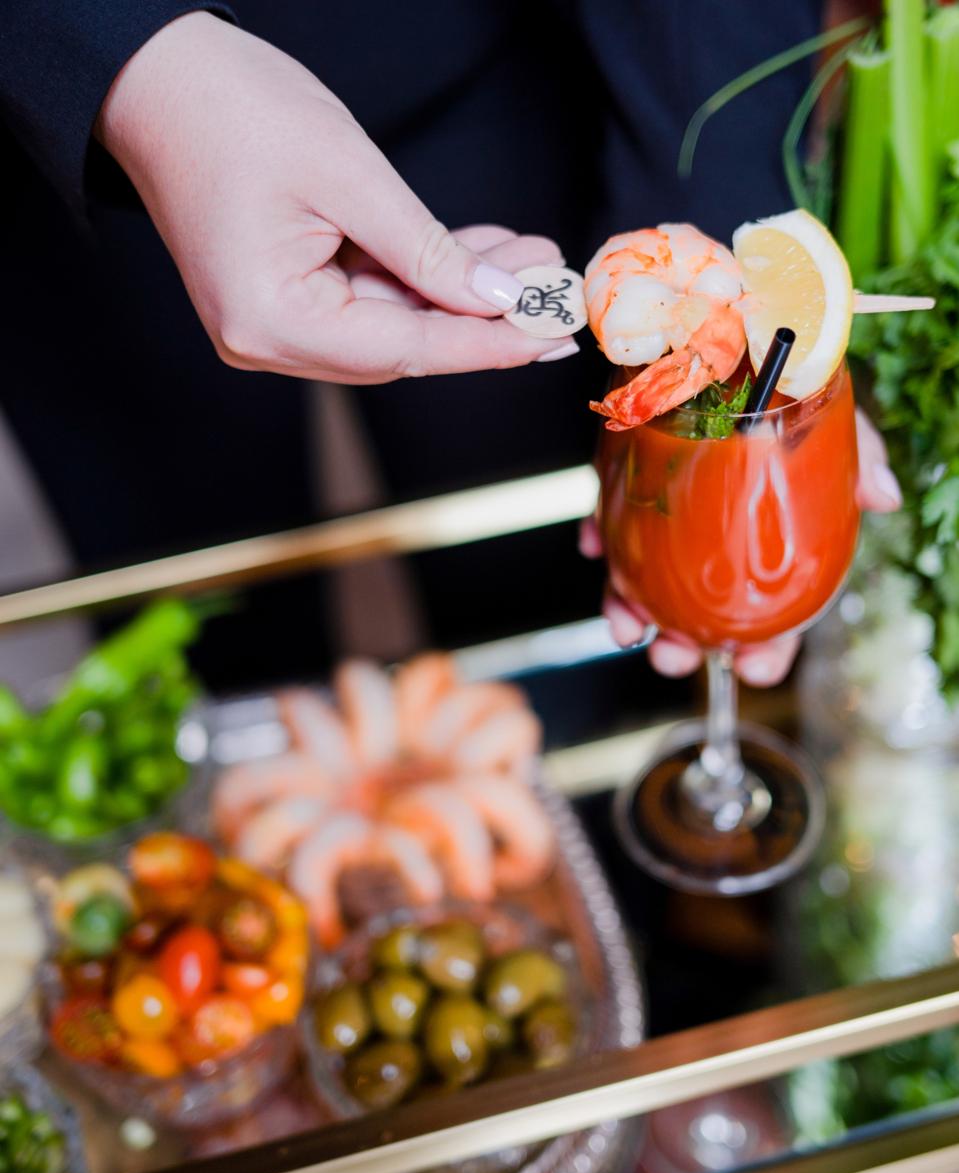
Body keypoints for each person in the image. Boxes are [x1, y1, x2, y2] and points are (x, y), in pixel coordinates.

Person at [0, 3, 899, 688]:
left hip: (466, 57)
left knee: (537, 606)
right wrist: (120, 54)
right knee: (203, 610)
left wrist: (726, 237)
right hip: (71, 161)